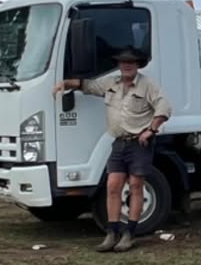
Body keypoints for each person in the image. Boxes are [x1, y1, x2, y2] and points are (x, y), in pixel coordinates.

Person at [53, 45, 172, 252]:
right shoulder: (111, 84)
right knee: (113, 186)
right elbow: (87, 85)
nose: (126, 66)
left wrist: (151, 130)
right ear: (118, 65)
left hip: (139, 143)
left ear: (137, 65)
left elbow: (164, 108)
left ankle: (130, 234)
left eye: (131, 62)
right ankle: (112, 232)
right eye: (123, 62)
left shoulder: (147, 85)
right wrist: (64, 83)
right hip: (118, 143)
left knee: (136, 186)